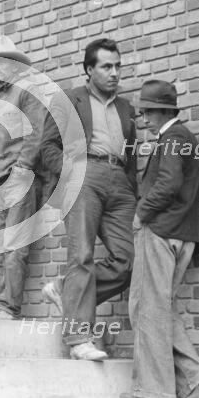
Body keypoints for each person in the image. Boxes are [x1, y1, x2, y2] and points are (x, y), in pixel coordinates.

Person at [40, 38, 137, 360]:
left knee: (129, 260)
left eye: (118, 66)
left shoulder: (126, 108)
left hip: (120, 181)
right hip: (85, 177)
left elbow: (132, 155)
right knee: (80, 256)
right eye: (107, 66)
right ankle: (79, 339)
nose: (115, 73)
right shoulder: (69, 100)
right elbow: (48, 147)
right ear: (89, 70)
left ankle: (64, 290)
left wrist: (133, 191)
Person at [120, 80, 199, 398]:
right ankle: (194, 378)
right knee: (158, 308)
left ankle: (153, 391)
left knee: (145, 309)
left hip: (161, 232)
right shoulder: (183, 137)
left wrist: (141, 214)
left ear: (162, 111)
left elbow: (169, 183)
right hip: (182, 234)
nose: (143, 119)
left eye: (146, 112)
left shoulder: (173, 137)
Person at [0, 35, 45, 320]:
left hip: (18, 178)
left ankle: (8, 306)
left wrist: (22, 167)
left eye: (0, 62)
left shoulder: (27, 90)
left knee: (15, 246)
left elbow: (37, 133)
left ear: (13, 65)